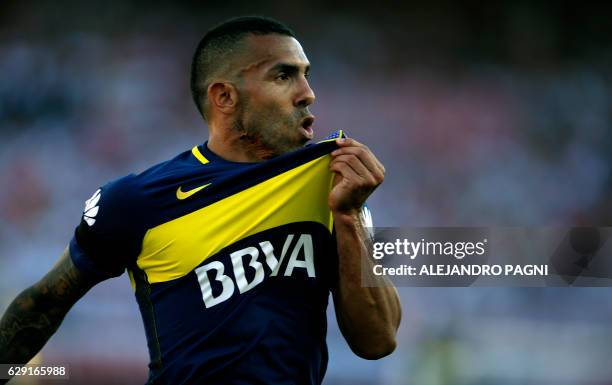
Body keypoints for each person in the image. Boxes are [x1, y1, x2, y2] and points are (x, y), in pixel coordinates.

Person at [0, 16, 401, 385]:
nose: (307, 94)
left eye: (306, 75)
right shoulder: (138, 199)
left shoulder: (329, 188)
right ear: (224, 97)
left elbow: (378, 341)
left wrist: (349, 217)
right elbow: (42, 304)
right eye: (283, 76)